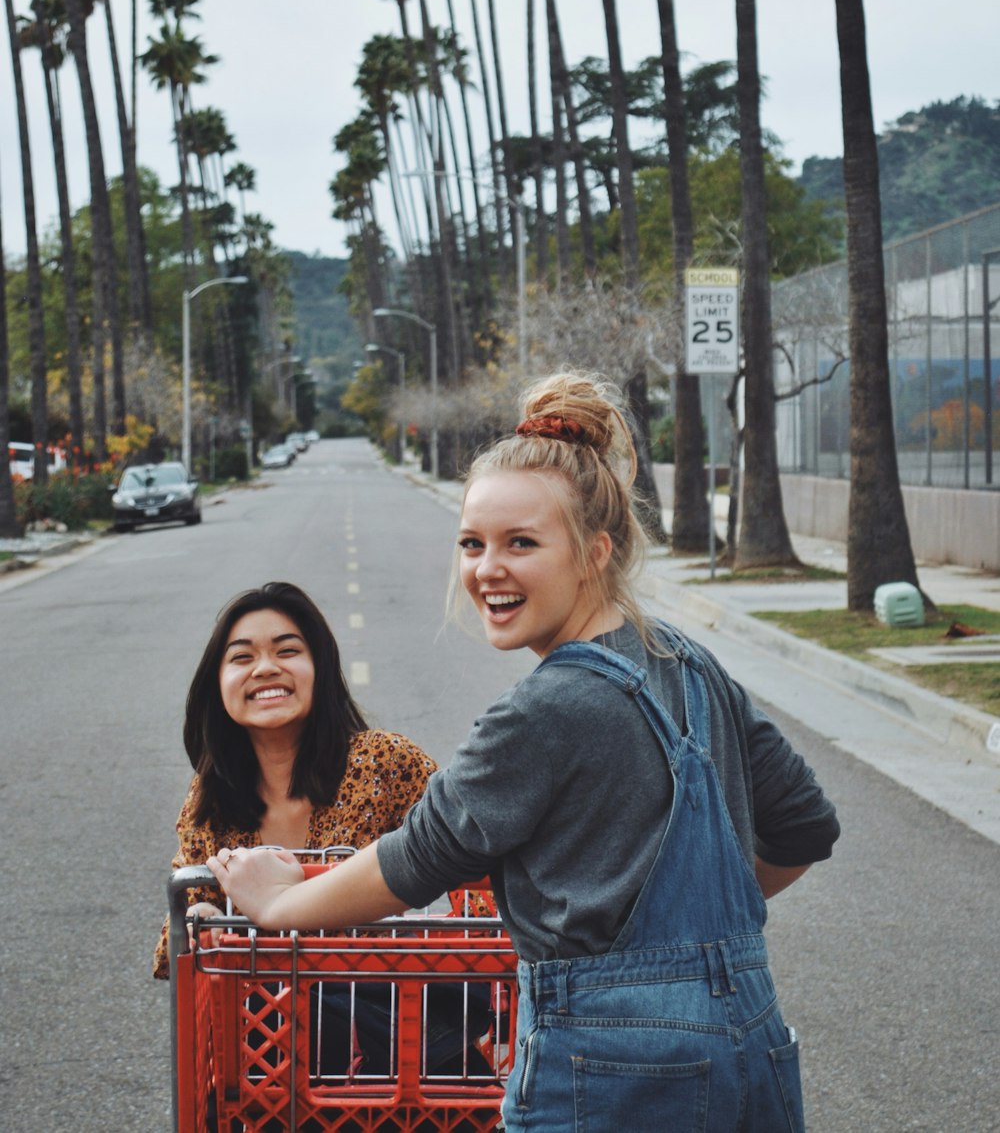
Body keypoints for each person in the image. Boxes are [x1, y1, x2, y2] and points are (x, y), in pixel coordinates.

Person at [207, 375, 841, 1132]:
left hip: (611, 1069)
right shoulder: (691, 665)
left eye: (521, 544)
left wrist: (279, 905)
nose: (486, 570)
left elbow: (414, 861)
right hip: (753, 1047)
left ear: (596, 552)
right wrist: (691, 957)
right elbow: (804, 827)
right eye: (473, 543)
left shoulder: (544, 709)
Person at [153, 580, 437, 979]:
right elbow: (190, 903)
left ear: (319, 670)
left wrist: (498, 972)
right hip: (259, 1026)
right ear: (217, 686)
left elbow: (475, 842)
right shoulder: (212, 792)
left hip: (378, 1014)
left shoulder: (384, 761)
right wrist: (201, 919)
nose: (266, 667)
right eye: (241, 657)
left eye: (287, 651)